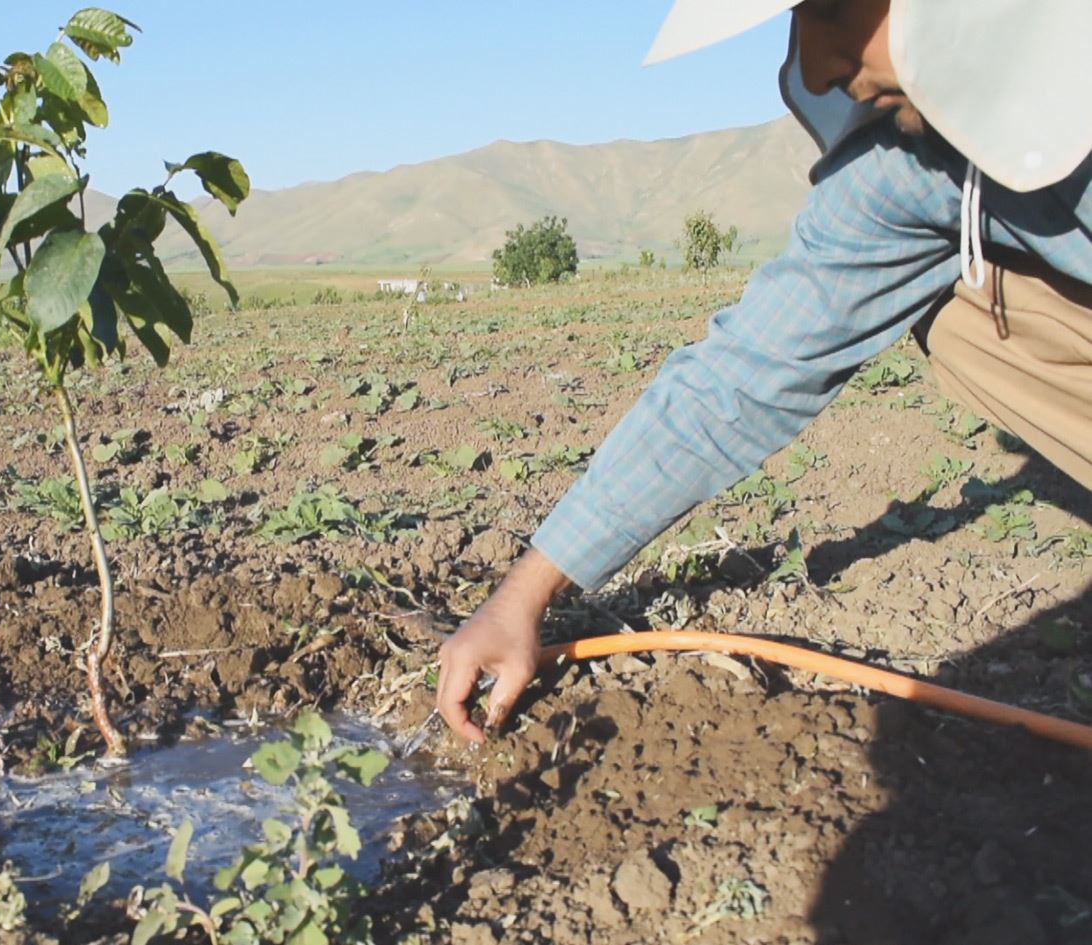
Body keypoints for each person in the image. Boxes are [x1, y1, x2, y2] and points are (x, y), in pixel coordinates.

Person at [435, 0, 1092, 743]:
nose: (816, 66)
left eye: (837, 10)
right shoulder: (913, 168)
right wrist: (521, 596)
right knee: (961, 309)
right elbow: (744, 376)